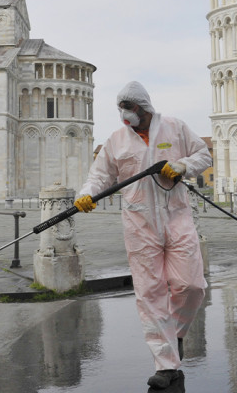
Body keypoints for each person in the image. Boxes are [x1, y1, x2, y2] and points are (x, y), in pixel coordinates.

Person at [74, 81, 211, 389]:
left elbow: (204, 155)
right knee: (150, 293)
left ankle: (175, 334)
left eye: (129, 108)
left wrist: (182, 165)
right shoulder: (116, 140)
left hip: (176, 217)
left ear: (143, 107)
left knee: (191, 285)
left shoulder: (174, 128)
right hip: (139, 223)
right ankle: (166, 365)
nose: (125, 114)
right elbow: (100, 176)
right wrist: (86, 194)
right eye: (121, 109)